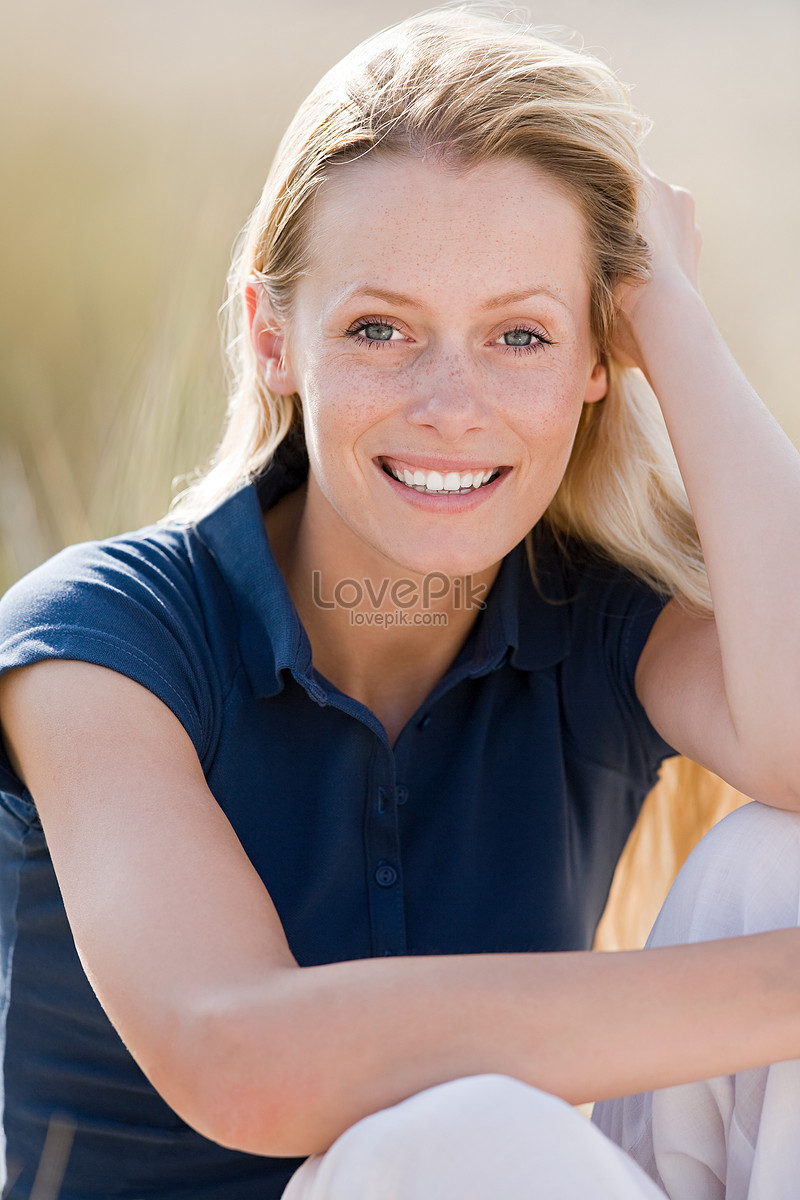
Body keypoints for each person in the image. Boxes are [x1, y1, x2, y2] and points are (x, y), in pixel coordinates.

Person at [1, 7, 799, 1198]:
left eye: (520, 334)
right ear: (274, 338)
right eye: (379, 328)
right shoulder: (102, 641)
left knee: (774, 868)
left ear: (596, 361)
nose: (449, 404)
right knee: (460, 1138)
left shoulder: (595, 621)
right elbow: (240, 1054)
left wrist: (671, 314)